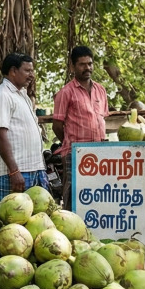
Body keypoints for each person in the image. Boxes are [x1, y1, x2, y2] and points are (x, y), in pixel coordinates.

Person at [52, 46, 109, 208]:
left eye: (90, 64)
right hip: (75, 154)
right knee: (73, 195)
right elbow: (57, 125)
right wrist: (71, 144)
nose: (87, 68)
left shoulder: (101, 91)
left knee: (98, 194)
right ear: (72, 67)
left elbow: (101, 120)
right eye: (82, 64)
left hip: (99, 154)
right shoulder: (66, 93)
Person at [0, 53, 48, 200]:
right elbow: (1, 135)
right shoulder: (2, 96)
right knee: (11, 220)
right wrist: (14, 171)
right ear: (13, 71)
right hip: (14, 172)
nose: (32, 75)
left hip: (33, 168)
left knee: (38, 219)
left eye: (32, 71)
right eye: (27, 71)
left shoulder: (22, 95)